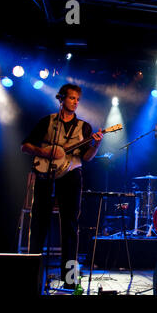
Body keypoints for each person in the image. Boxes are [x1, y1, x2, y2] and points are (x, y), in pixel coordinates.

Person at [21, 83, 103, 289]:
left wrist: (96, 144)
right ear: (61, 98)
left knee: (70, 226)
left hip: (71, 176)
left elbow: (87, 158)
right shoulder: (47, 121)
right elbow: (25, 146)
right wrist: (47, 153)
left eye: (77, 99)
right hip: (45, 174)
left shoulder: (84, 127)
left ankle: (70, 279)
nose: (75, 102)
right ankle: (32, 274)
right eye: (71, 98)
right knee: (38, 222)